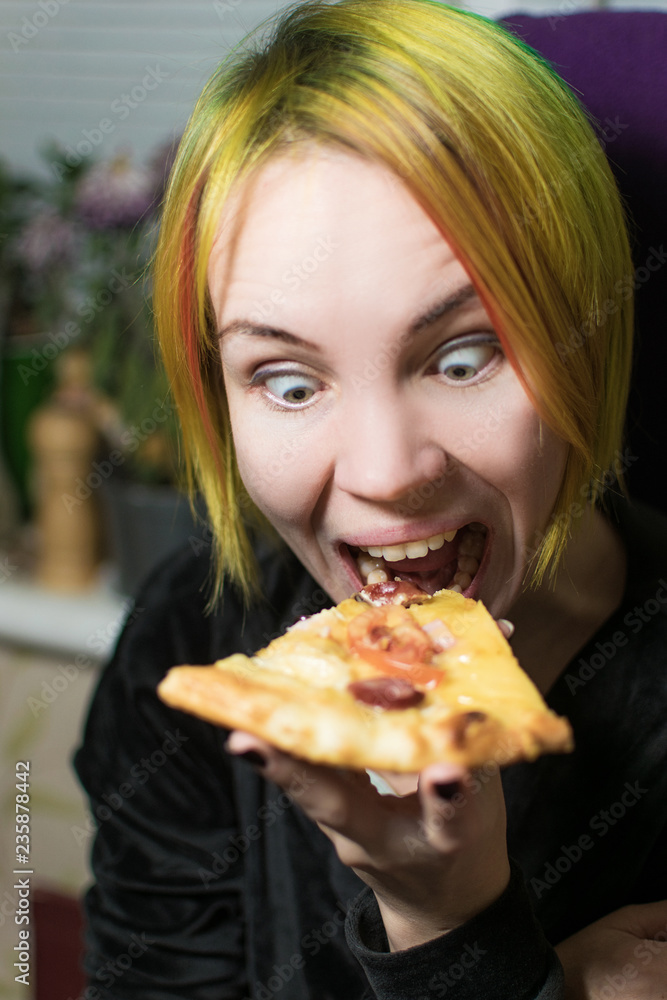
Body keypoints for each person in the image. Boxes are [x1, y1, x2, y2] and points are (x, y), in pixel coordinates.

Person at [74, 2, 667, 997]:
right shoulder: (189, 637)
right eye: (290, 382)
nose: (388, 472)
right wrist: (504, 958)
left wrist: (452, 927)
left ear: (588, 334)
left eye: (464, 355)